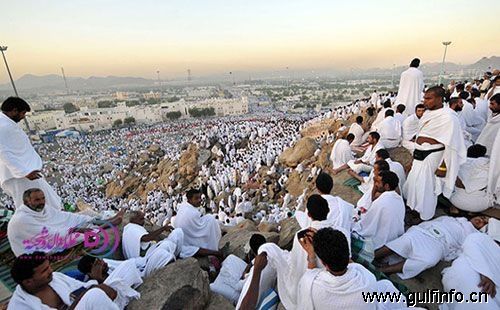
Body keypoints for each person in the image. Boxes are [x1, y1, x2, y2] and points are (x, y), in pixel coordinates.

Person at [256, 195, 350, 309]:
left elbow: (298, 266)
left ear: (309, 215)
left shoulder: (313, 288)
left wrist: (311, 256)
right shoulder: (365, 279)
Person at [296, 227, 406, 309]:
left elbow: (309, 274)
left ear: (324, 264)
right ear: (348, 253)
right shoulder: (366, 277)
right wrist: (323, 241)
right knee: (386, 286)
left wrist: (311, 254)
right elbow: (350, 262)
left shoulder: (310, 284)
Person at [403, 86, 466, 221]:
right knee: (414, 185)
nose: (425, 101)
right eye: (424, 98)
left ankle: (425, 215)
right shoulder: (427, 114)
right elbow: (420, 135)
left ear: (439, 99)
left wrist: (443, 166)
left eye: (429, 98)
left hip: (433, 156)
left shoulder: (449, 117)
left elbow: (451, 145)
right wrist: (412, 161)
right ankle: (414, 209)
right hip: (419, 155)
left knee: (427, 187)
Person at [7, 188, 123, 257]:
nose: (42, 202)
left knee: (84, 216)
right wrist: (74, 229)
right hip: (36, 248)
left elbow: (64, 217)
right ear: (26, 201)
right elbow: (48, 235)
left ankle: (104, 222)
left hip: (55, 231)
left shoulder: (44, 209)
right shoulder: (20, 220)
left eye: (43, 198)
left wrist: (79, 223)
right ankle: (102, 227)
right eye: (37, 200)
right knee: (77, 236)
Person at [374, 215, 489, 279]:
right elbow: (434, 221)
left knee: (429, 260)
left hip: (440, 244)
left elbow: (461, 251)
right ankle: (371, 255)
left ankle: (384, 270)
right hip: (427, 231)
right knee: (406, 241)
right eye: (481, 217)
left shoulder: (472, 237)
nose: (481, 220)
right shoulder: (454, 219)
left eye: (484, 222)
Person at [0, 97, 62, 210]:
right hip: (19, 175)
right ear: (14, 111)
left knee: (49, 200)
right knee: (29, 204)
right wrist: (23, 172)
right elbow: (3, 153)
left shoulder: (6, 123)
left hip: (26, 173)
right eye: (23, 113)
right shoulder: (2, 127)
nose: (23, 117)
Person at [8, 252, 122, 309]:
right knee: (95, 295)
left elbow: (82, 288)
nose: (51, 271)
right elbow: (86, 296)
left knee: (127, 270)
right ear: (28, 281)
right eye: (44, 271)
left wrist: (97, 282)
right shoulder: (18, 306)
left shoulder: (55, 278)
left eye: (49, 267)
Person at [122, 211, 221, 275]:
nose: (143, 221)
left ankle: (214, 253)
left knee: (180, 239)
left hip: (153, 252)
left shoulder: (129, 229)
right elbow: (147, 237)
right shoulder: (132, 228)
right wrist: (163, 228)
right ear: (133, 219)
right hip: (149, 258)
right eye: (141, 219)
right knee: (172, 242)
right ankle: (213, 254)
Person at [440, 222, 500, 310]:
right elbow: (471, 243)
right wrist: (487, 275)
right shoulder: (483, 238)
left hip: (494, 289)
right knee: (479, 298)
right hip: (471, 272)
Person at [353, 171, 405, 252]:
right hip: (396, 235)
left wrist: (357, 218)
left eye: (378, 182)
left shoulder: (382, 201)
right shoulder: (398, 198)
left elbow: (367, 221)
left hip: (383, 239)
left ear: (387, 186)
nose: (376, 184)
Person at [235, 234, 277, 309]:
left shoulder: (256, 271)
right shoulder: (274, 259)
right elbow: (253, 261)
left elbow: (238, 287)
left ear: (253, 252)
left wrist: (243, 276)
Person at [449, 144, 490, 213]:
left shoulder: (459, 162)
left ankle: (460, 209)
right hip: (480, 206)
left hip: (456, 201)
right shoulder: (487, 165)